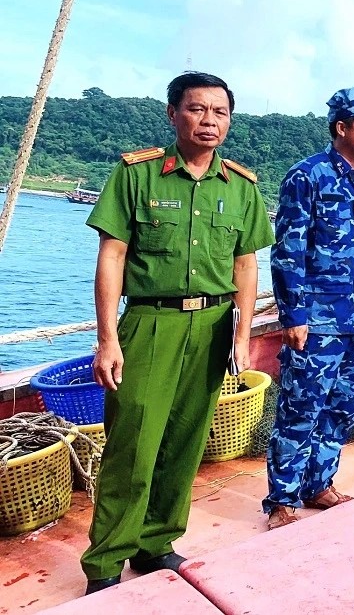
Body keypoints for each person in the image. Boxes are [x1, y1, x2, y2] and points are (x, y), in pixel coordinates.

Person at [81, 72, 273, 594]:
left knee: (186, 441)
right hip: (151, 322)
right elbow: (112, 255)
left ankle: (156, 542)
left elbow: (246, 265)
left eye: (220, 112)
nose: (209, 121)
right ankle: (106, 562)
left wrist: (241, 336)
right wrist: (107, 339)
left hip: (213, 325)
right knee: (133, 445)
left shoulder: (241, 187)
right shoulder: (138, 175)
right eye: (197, 109)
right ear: (173, 114)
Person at [263, 84, 354, 529]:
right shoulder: (307, 176)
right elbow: (288, 251)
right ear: (341, 127)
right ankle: (282, 500)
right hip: (318, 321)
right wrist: (294, 315)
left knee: (342, 407)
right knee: (300, 409)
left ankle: (319, 485)